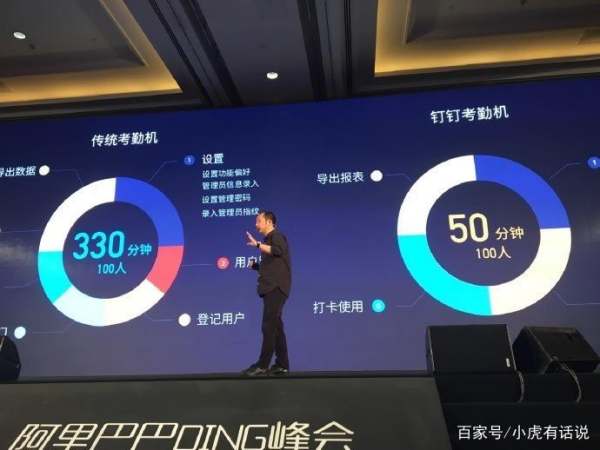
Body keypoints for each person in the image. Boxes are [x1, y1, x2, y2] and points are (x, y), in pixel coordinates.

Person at [243, 210, 291, 376]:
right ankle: (282, 364)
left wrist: (257, 245)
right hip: (271, 287)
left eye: (259, 221)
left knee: (268, 326)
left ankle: (263, 365)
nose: (256, 224)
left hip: (276, 288)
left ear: (269, 222)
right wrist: (256, 266)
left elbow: (278, 250)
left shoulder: (276, 236)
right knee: (276, 327)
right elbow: (272, 267)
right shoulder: (267, 242)